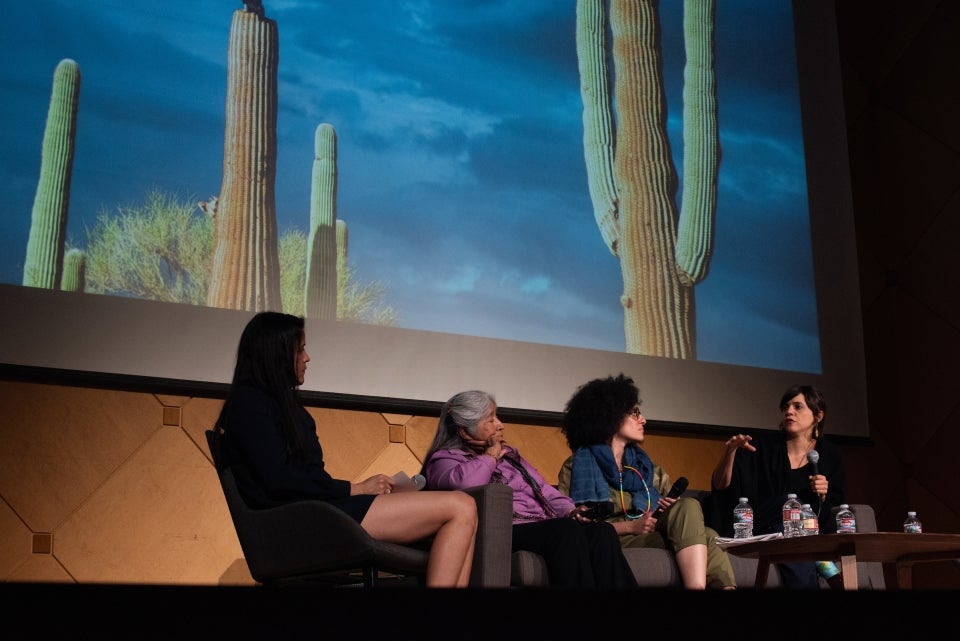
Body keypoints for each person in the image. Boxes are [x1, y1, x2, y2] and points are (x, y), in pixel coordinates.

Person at [216, 311, 478, 588]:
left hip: (318, 511)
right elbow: (282, 481)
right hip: (300, 521)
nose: (307, 358)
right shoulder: (250, 406)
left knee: (466, 512)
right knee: (460, 506)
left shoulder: (278, 406)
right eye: (301, 349)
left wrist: (356, 489)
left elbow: (302, 477)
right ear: (277, 354)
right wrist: (355, 489)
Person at [422, 389, 638, 589]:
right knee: (565, 531)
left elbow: (544, 489)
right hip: (505, 530)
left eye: (497, 417)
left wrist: (570, 511)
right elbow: (464, 484)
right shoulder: (444, 460)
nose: (500, 425)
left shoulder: (511, 456)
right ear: (464, 432)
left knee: (602, 532)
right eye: (490, 420)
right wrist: (491, 455)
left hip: (541, 524)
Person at [557, 373, 736, 590]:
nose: (643, 420)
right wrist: (631, 526)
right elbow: (572, 527)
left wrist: (669, 511)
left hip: (650, 533)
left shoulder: (646, 467)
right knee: (706, 535)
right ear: (609, 416)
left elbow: (679, 516)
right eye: (634, 413)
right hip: (611, 541)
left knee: (702, 525)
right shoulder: (577, 465)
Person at [707, 384, 845, 589]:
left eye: (798, 407)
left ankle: (819, 562)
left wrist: (823, 495)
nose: (789, 411)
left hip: (791, 532)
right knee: (792, 504)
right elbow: (721, 487)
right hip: (755, 523)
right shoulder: (761, 445)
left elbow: (829, 508)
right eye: (786, 407)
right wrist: (730, 453)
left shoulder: (830, 454)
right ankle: (826, 567)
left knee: (789, 532)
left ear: (818, 416)